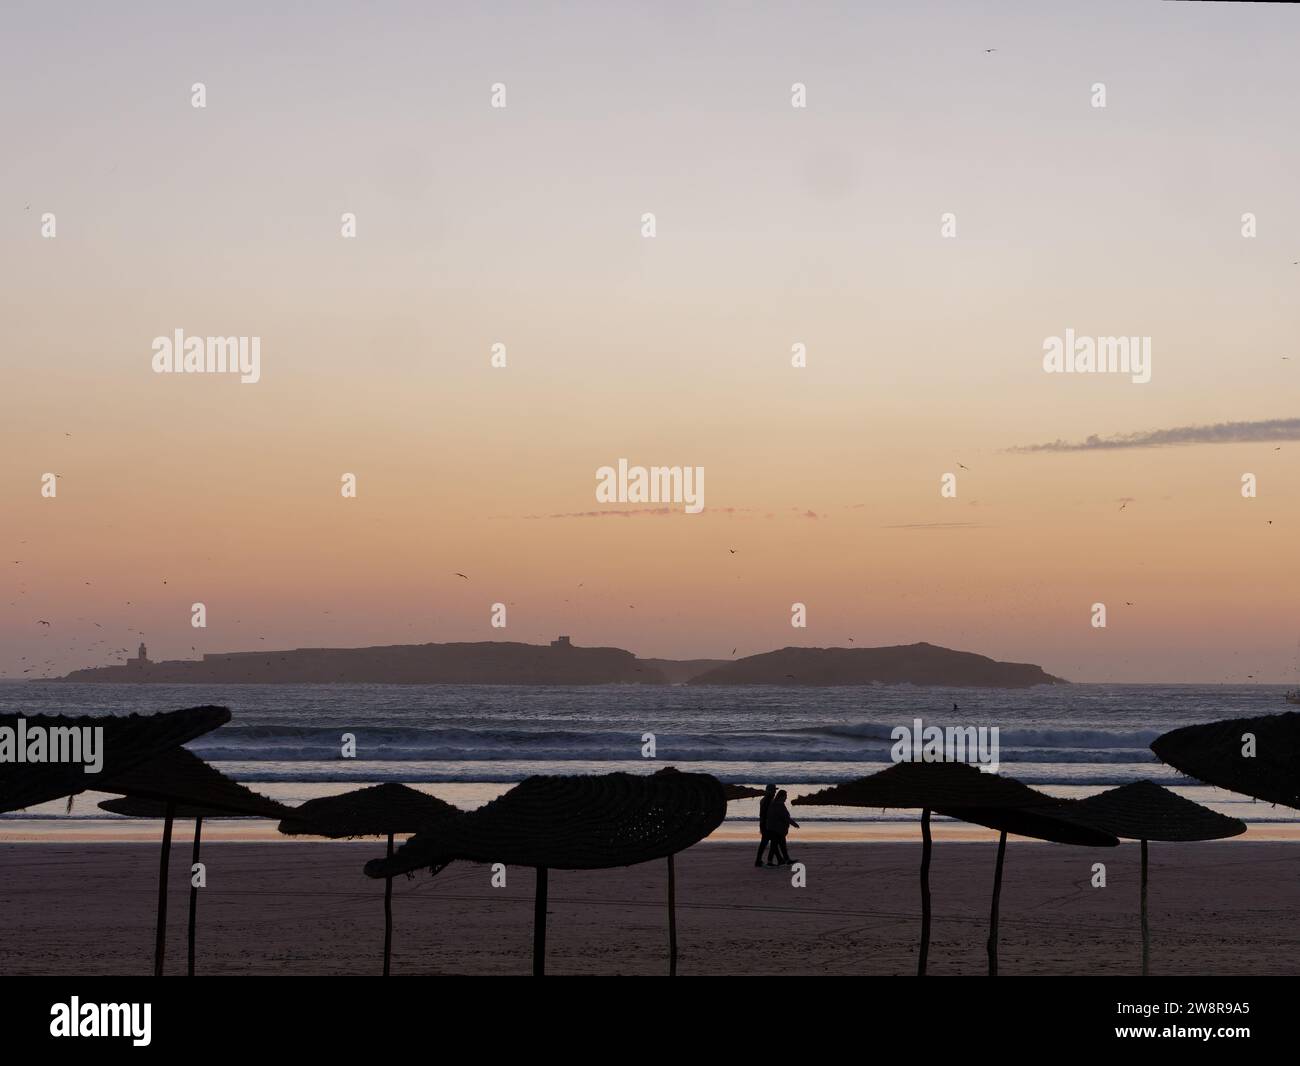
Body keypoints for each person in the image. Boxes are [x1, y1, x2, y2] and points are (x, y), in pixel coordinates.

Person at [766, 789, 799, 865]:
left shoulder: (775, 804)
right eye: (785, 796)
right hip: (777, 829)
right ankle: (770, 862)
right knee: (775, 846)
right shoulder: (779, 805)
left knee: (781, 845)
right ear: (781, 797)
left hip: (774, 828)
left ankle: (786, 860)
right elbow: (785, 817)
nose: (786, 798)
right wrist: (794, 824)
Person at [754, 784, 776, 867]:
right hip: (767, 824)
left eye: (775, 790)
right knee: (768, 842)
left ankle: (760, 860)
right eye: (773, 790)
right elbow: (765, 814)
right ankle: (762, 861)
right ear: (769, 791)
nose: (775, 792)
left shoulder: (765, 799)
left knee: (767, 842)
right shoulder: (767, 800)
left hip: (765, 823)